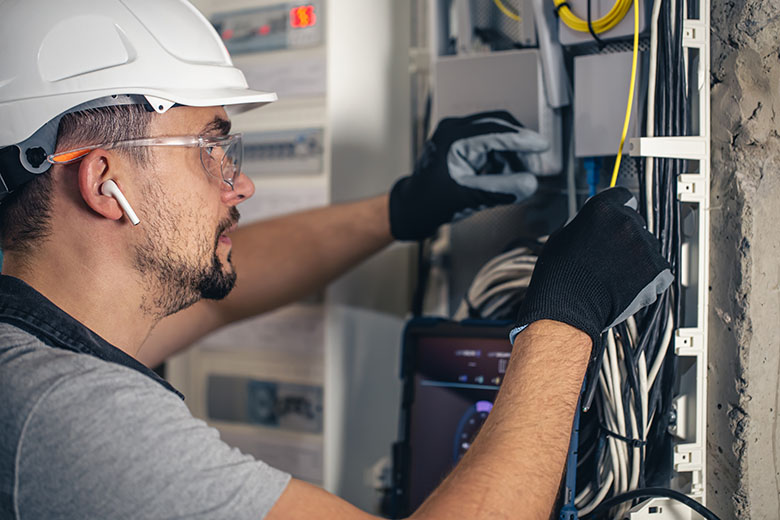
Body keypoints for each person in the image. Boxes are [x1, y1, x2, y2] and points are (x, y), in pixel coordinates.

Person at [0, 1, 672, 519]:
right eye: (208, 149)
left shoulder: (29, 347)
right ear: (102, 183)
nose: (239, 184)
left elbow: (236, 281)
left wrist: (404, 209)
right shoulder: (69, 415)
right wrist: (566, 319)